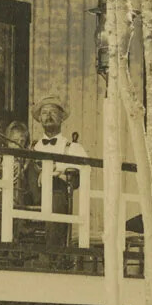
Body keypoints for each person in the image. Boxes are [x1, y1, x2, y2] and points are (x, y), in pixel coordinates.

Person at [30, 95, 88, 248]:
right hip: (33, 194)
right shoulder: (32, 147)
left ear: (62, 117)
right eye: (44, 113)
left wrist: (57, 171)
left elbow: (82, 174)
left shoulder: (73, 148)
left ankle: (51, 254)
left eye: (53, 112)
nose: (48, 116)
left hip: (56, 195)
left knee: (55, 193)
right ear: (40, 119)